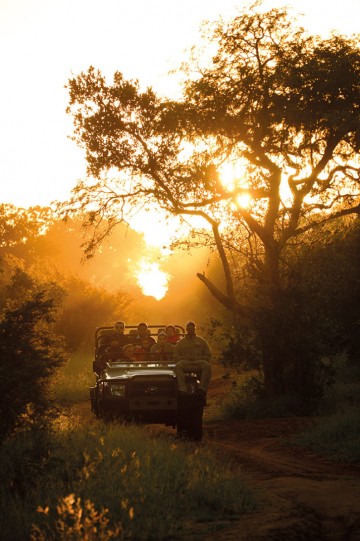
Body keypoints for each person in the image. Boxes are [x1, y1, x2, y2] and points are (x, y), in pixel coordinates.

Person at [174, 321, 212, 395]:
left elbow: (208, 354)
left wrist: (202, 358)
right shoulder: (181, 342)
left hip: (199, 362)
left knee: (207, 366)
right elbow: (175, 356)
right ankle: (182, 388)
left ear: (195, 329)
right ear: (186, 329)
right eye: (189, 328)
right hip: (185, 362)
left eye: (192, 328)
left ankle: (202, 388)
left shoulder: (201, 341)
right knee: (178, 366)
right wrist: (183, 357)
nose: (190, 330)